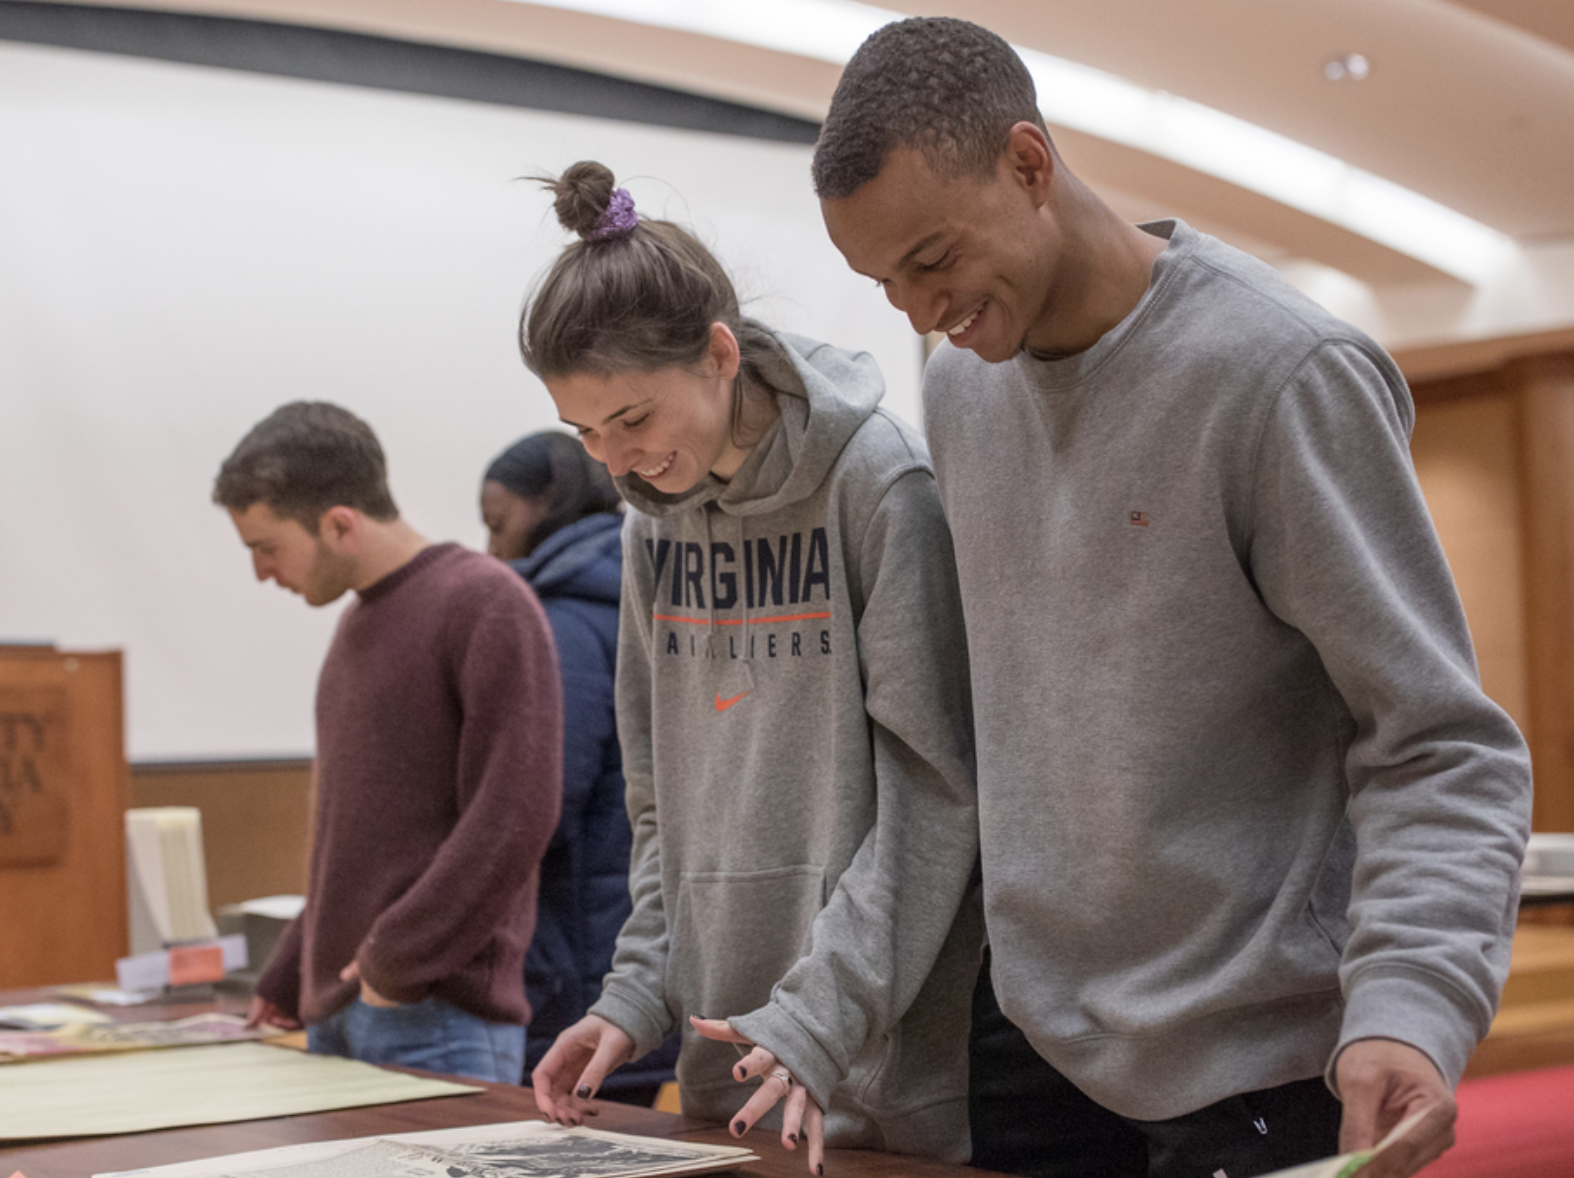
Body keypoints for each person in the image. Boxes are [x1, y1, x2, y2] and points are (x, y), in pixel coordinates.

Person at [812, 17, 1533, 1178]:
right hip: (1031, 1042)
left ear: (1029, 165)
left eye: (931, 259)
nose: (913, 309)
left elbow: (1439, 743)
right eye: (882, 279)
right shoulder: (960, 390)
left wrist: (1408, 999)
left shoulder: (1277, 374)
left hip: (1249, 1066)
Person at [522, 161, 983, 1174]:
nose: (614, 461)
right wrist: (633, 992)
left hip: (864, 1062)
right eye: (585, 432)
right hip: (717, 1059)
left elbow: (933, 796)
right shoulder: (651, 525)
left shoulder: (879, 484)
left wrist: (819, 1018)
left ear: (719, 354)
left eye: (632, 419)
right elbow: (660, 806)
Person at [215, 400, 563, 1084]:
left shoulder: (485, 602)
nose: (261, 571)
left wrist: (395, 960)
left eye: (266, 547)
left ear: (339, 523)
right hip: (348, 1007)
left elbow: (515, 814)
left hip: (434, 1016)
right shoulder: (355, 626)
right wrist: (288, 971)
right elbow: (355, 838)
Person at [480, 430, 679, 1102]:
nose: (491, 549)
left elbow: (544, 799)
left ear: (547, 506)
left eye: (497, 523)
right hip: (630, 945)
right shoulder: (635, 594)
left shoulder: (565, 621)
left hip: (581, 962)